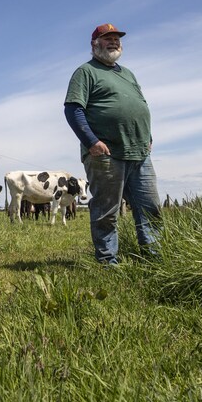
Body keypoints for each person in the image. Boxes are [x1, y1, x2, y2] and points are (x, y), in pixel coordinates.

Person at [63, 23, 161, 265]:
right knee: (107, 211)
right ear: (94, 44)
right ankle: (108, 262)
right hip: (106, 154)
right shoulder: (85, 72)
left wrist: (147, 137)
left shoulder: (128, 74)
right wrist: (91, 141)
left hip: (139, 153)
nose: (114, 42)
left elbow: (140, 106)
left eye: (116, 38)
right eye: (107, 38)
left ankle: (154, 257)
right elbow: (73, 109)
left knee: (151, 208)